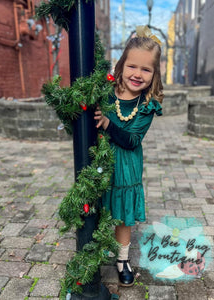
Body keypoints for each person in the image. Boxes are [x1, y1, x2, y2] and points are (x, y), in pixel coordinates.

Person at [94, 25, 164, 287]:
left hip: (126, 167)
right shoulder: (106, 93)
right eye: (132, 66)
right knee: (100, 206)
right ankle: (96, 249)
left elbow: (132, 139)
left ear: (154, 74)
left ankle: (122, 259)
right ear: (121, 65)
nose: (138, 74)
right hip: (101, 161)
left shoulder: (146, 106)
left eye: (146, 69)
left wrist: (108, 124)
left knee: (122, 215)